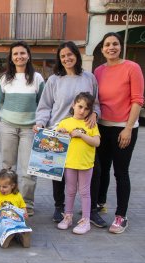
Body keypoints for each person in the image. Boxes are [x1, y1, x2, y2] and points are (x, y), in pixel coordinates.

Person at [34, 41, 106, 228]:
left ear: (77, 55)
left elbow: (96, 103)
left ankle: (91, 211)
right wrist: (40, 123)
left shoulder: (89, 77)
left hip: (84, 133)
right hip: (59, 132)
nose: (67, 58)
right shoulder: (54, 80)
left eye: (70, 54)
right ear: (60, 59)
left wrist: (95, 114)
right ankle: (60, 207)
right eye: (63, 56)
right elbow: (45, 106)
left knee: (93, 170)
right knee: (58, 174)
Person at [94, 32, 144, 234]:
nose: (111, 47)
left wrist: (128, 128)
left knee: (120, 172)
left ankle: (121, 215)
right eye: (107, 44)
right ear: (103, 49)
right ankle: (99, 203)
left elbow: (138, 100)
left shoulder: (132, 67)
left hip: (124, 127)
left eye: (115, 44)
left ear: (120, 47)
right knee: (101, 169)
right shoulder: (98, 71)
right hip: (102, 127)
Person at [0, 41, 44, 216]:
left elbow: (42, 102)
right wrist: (8, 116)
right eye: (15, 54)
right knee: (8, 167)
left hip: (30, 129)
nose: (19, 56)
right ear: (11, 57)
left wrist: (37, 122)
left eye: (22, 53)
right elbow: (1, 101)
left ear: (28, 55)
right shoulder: (5, 79)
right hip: (7, 126)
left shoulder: (37, 78)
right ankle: (7, 200)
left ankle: (27, 205)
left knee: (28, 170)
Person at [56, 93, 100, 234]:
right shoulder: (65, 122)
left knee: (85, 192)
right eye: (80, 106)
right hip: (69, 163)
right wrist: (61, 132)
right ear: (73, 105)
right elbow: (56, 141)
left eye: (86, 109)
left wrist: (81, 134)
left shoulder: (90, 124)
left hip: (86, 164)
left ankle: (85, 220)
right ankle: (68, 216)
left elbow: (97, 142)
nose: (82, 111)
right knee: (69, 190)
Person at [0, 169, 30, 247]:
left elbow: (23, 207)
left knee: (20, 226)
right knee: (0, 227)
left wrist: (25, 213)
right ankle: (8, 236)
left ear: (12, 186)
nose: (1, 189)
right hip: (0, 219)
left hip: (14, 218)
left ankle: (22, 236)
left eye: (4, 187)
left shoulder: (18, 195)